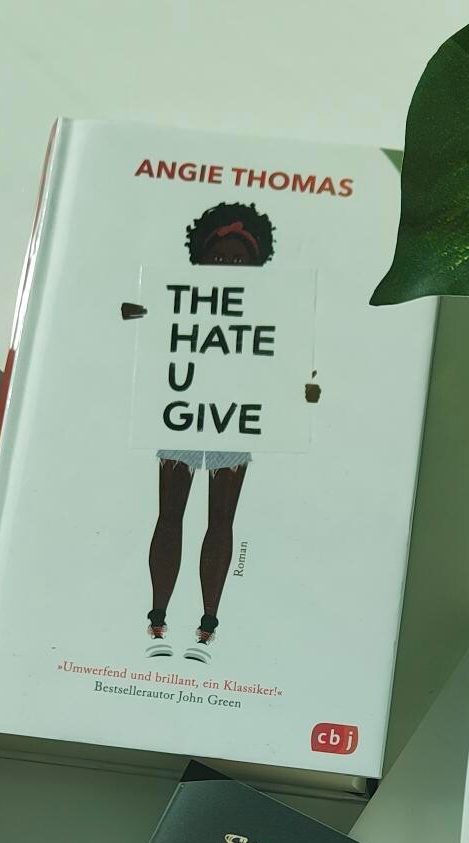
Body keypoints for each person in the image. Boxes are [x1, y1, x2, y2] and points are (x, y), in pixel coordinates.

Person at [122, 202, 320, 664]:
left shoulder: (266, 311)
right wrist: (137, 314)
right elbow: (143, 326)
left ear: (255, 263)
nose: (228, 265)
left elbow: (283, 364)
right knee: (169, 515)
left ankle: (207, 621)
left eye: (238, 259)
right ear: (201, 257)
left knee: (221, 521)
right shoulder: (179, 299)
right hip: (182, 415)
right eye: (219, 257)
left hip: (232, 421)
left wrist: (303, 388)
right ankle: (158, 614)